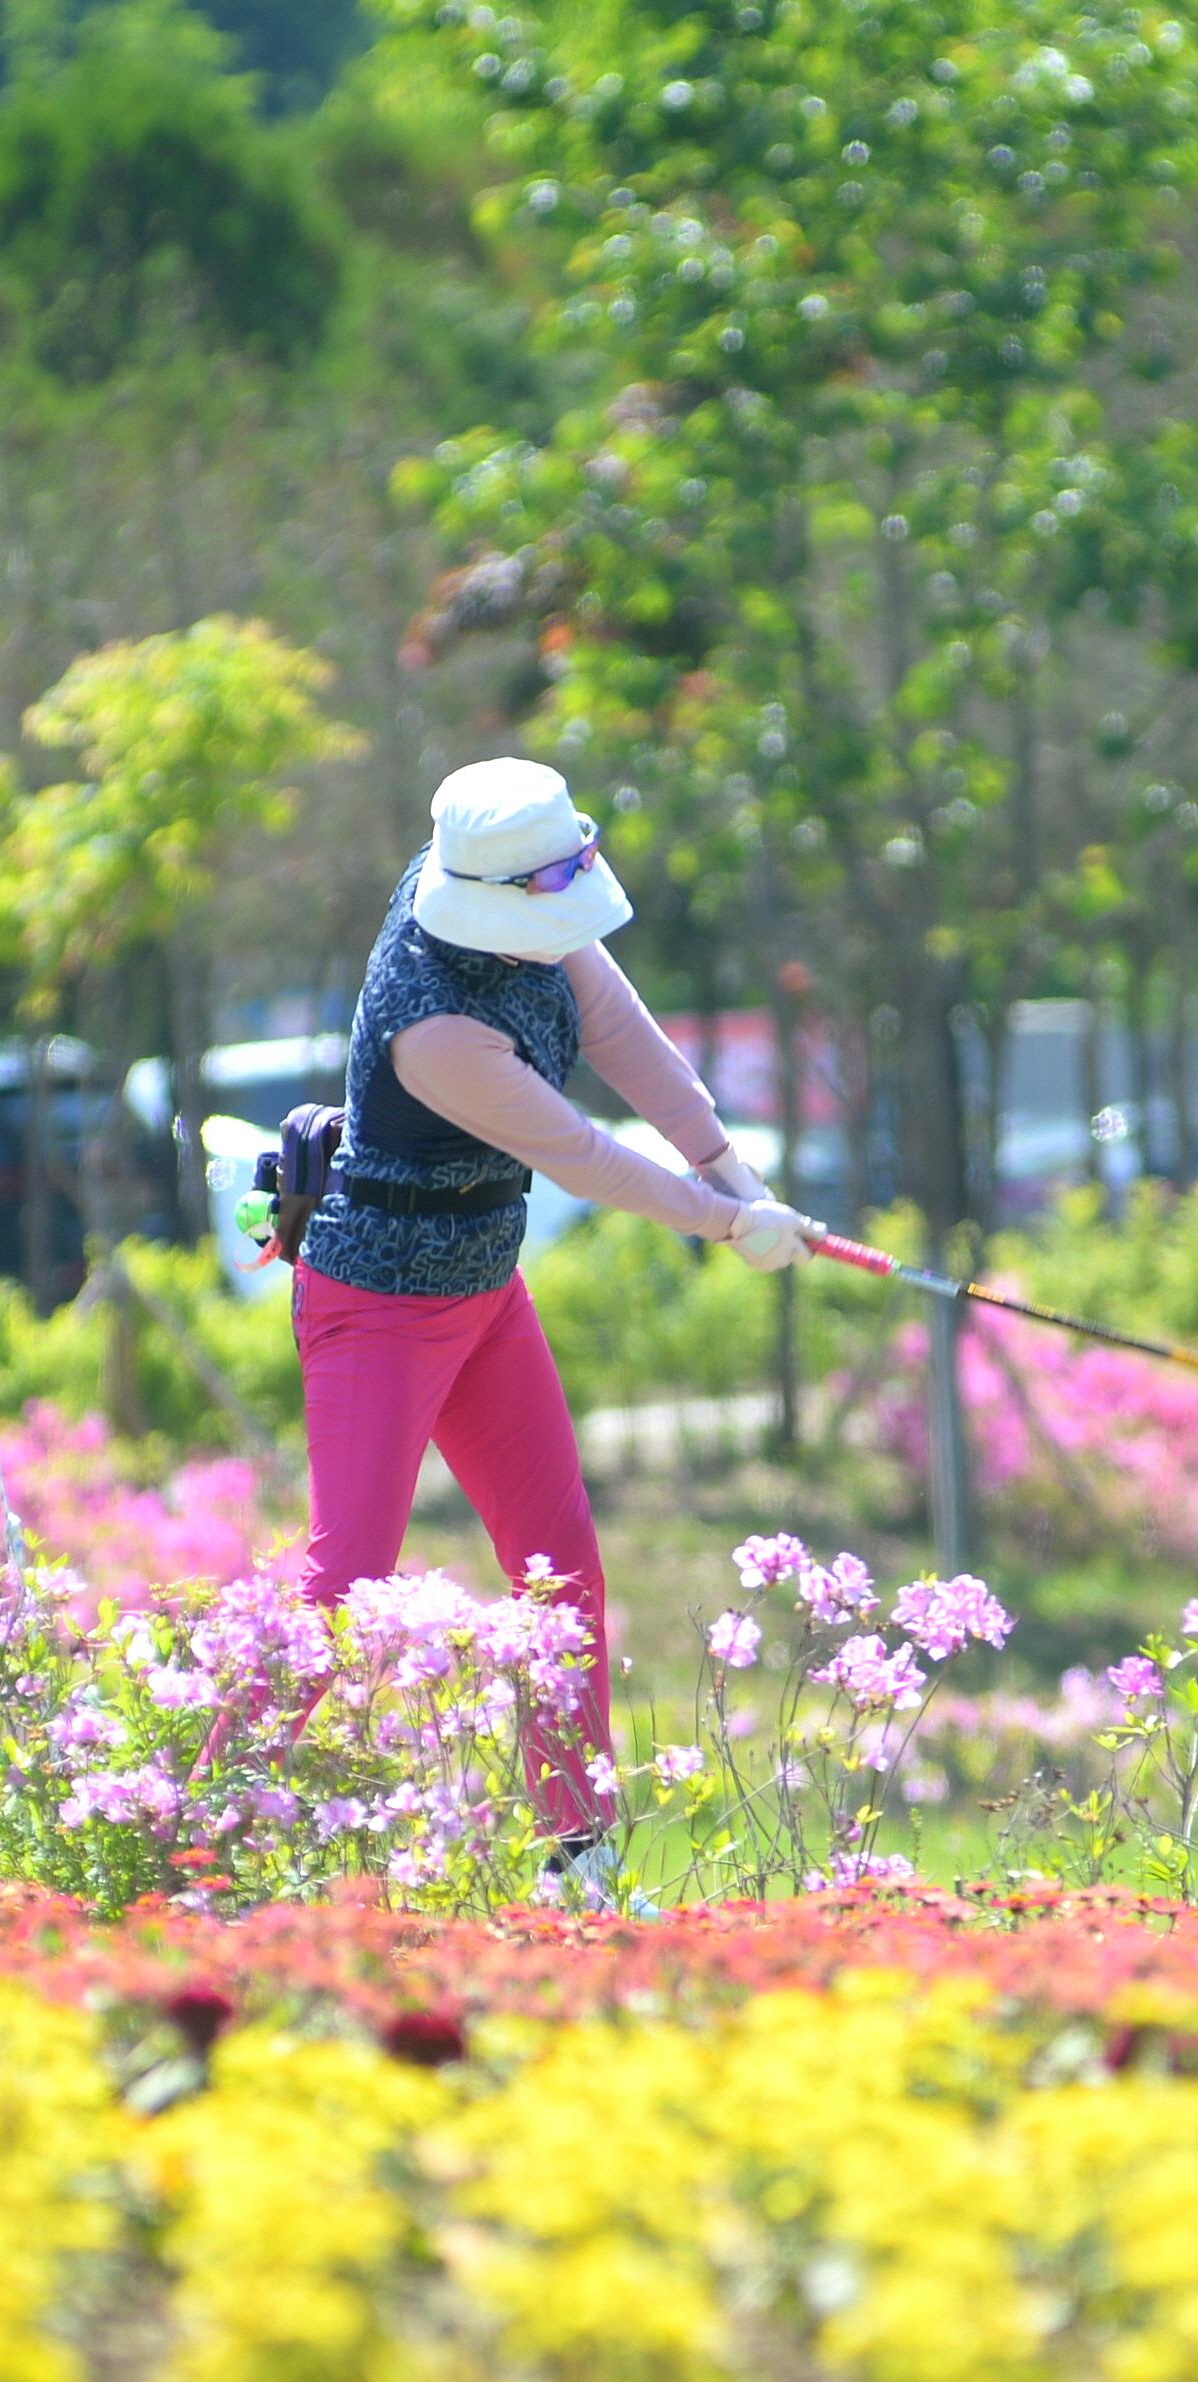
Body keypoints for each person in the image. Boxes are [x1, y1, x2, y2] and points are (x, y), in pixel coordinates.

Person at [292, 760, 812, 1873]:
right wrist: (725, 1226)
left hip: (483, 1291)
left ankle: (578, 1855)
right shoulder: (435, 1028)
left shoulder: (516, 895)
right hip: (376, 1302)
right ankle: (206, 1832)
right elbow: (581, 1155)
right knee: (344, 1587)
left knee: (557, 1561)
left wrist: (734, 1173)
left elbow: (624, 1036)